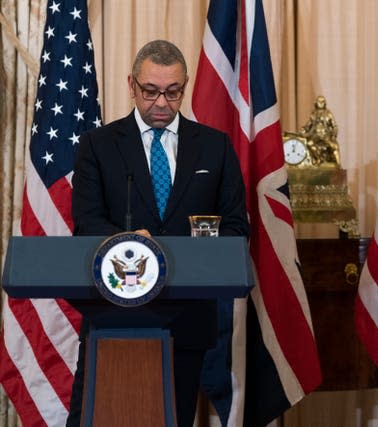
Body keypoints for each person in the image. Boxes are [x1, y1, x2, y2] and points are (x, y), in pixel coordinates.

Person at [68, 40, 250, 426]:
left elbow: (235, 227)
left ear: (185, 87)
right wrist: (132, 244)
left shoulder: (215, 147)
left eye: (173, 92)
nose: (162, 103)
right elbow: (87, 223)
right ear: (131, 85)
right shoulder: (97, 146)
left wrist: (193, 251)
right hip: (112, 315)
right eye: (151, 92)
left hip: (186, 320)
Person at [300, 95, 341, 166]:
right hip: (315, 135)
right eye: (319, 102)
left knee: (334, 146)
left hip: (326, 136)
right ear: (316, 103)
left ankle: (338, 165)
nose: (321, 103)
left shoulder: (328, 113)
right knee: (309, 144)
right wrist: (303, 129)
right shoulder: (313, 114)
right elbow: (308, 125)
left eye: (323, 102)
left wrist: (334, 135)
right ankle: (318, 159)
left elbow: (334, 126)